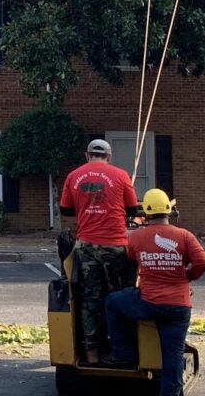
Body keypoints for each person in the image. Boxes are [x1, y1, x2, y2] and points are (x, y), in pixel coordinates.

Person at [104, 188, 205, 396]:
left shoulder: (136, 237)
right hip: (178, 307)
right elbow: (203, 262)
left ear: (146, 212)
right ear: (169, 211)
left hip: (148, 303)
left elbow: (131, 258)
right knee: (173, 356)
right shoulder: (185, 236)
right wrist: (187, 277)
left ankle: (123, 353)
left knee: (112, 301)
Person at [59, 138, 139, 364]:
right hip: (115, 245)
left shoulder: (74, 176)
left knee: (89, 300)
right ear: (109, 156)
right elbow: (132, 210)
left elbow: (66, 210)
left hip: (86, 246)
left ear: (87, 155)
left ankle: (91, 353)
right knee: (118, 297)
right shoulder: (121, 175)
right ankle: (120, 350)